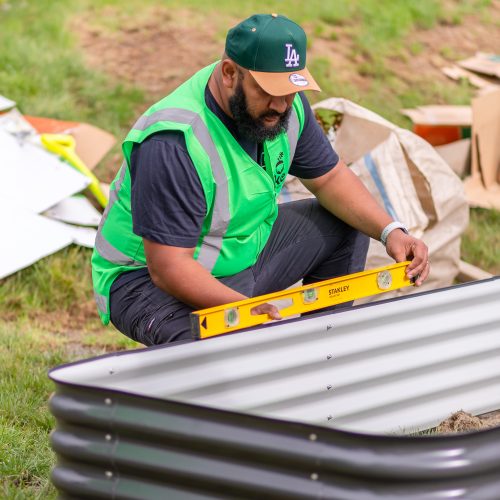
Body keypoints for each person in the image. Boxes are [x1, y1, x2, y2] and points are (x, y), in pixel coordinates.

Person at [91, 13, 429, 346]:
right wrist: (245, 312)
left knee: (345, 225)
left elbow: (330, 178)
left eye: (290, 90)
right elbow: (168, 268)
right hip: (146, 283)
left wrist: (391, 232)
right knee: (226, 356)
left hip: (236, 255)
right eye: (268, 90)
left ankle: (321, 362)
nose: (281, 105)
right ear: (229, 74)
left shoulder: (287, 106)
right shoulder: (175, 142)